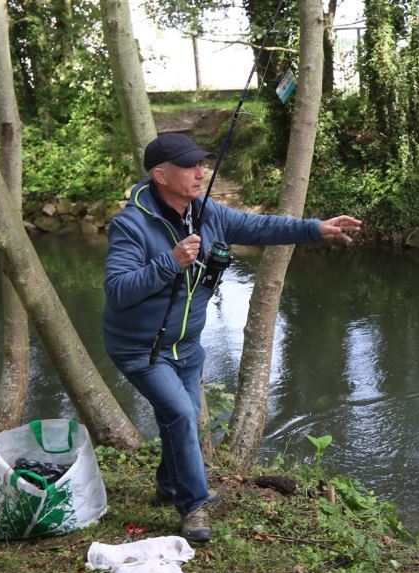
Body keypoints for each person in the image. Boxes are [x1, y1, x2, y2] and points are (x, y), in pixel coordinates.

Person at [103, 133, 362, 542]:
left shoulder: (207, 213)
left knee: (181, 415)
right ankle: (192, 506)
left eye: (200, 164)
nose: (200, 172)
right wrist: (169, 263)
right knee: (183, 415)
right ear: (160, 175)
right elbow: (118, 291)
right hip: (141, 349)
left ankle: (169, 487)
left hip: (186, 346)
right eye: (189, 166)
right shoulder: (131, 225)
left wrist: (316, 228)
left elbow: (260, 226)